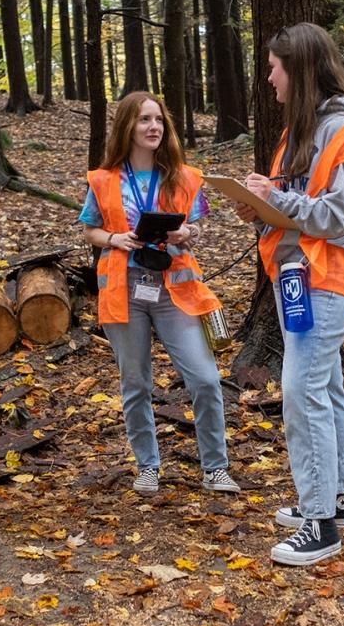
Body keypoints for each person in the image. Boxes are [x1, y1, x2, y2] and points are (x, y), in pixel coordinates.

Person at [237, 22, 344, 567]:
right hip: (301, 275)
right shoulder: (305, 128)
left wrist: (281, 203)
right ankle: (340, 498)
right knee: (325, 385)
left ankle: (319, 520)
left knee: (301, 391)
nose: (269, 77)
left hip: (332, 278)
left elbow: (343, 213)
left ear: (298, 70)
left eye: (275, 67)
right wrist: (263, 199)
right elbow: (300, 198)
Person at [81, 91, 240, 495]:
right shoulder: (104, 179)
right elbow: (90, 230)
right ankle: (147, 466)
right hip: (124, 288)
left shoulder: (184, 175)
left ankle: (215, 467)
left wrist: (186, 232)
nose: (153, 127)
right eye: (144, 120)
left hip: (175, 288)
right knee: (135, 382)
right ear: (127, 128)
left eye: (158, 120)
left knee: (204, 378)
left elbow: (197, 227)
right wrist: (115, 238)